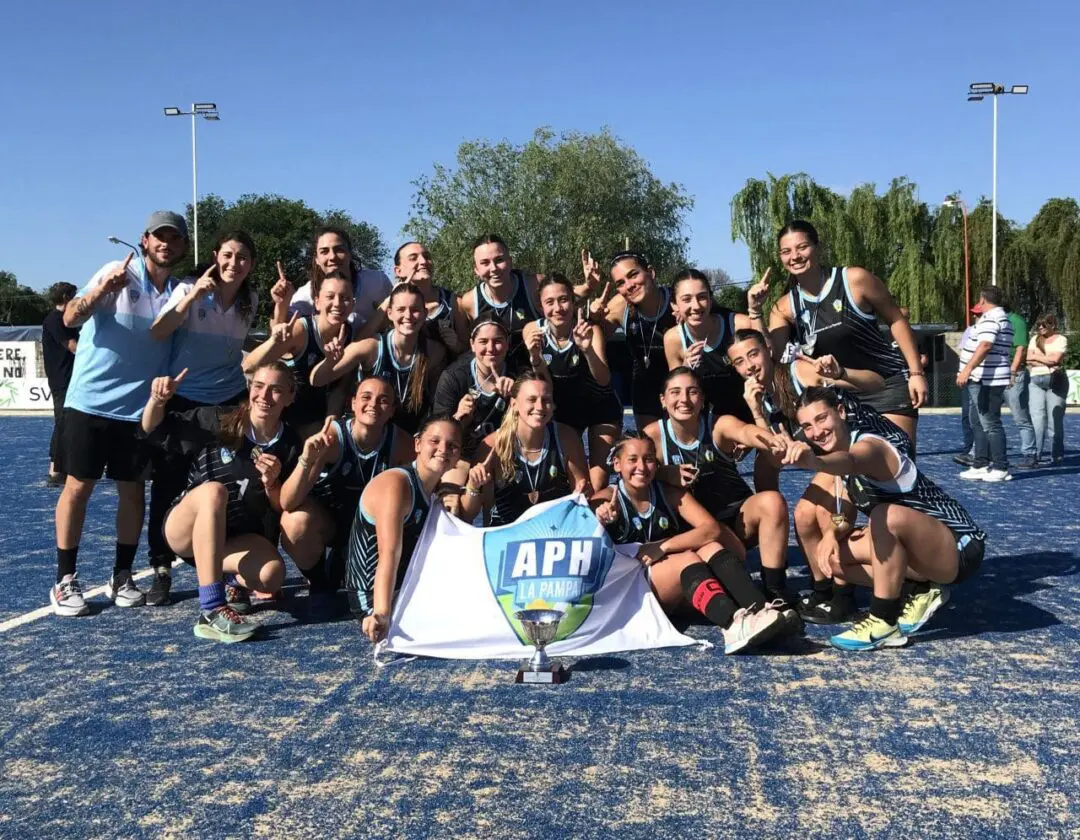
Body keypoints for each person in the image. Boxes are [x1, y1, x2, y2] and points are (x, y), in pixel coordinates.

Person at [50, 211, 188, 617]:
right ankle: (65, 579)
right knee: (79, 487)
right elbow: (70, 317)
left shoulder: (180, 292)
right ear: (145, 241)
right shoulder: (117, 271)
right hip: (89, 403)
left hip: (138, 411)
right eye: (159, 237)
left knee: (132, 492)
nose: (166, 244)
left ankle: (122, 575)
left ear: (182, 245)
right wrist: (101, 291)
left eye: (174, 238)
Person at [786, 387, 985, 651]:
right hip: (922, 547)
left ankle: (884, 621)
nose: (816, 432)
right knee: (835, 560)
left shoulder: (870, 447)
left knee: (883, 515)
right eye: (807, 426)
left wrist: (816, 462)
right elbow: (843, 514)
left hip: (959, 545)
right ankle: (921, 589)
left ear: (841, 412)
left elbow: (850, 460)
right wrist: (832, 534)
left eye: (822, 418)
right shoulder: (842, 464)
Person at [592, 433, 796, 654]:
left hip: (666, 579)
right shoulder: (605, 499)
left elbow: (711, 529)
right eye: (632, 459)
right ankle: (732, 624)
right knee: (687, 558)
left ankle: (761, 610)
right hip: (632, 592)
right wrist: (600, 520)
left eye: (648, 459)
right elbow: (583, 545)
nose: (641, 466)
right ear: (617, 464)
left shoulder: (667, 492)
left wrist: (663, 546)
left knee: (711, 547)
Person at [143, 360, 301, 641]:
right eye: (259, 386)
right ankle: (211, 608)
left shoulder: (290, 444)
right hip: (185, 530)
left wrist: (272, 483)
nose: (264, 396)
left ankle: (231, 579)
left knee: (272, 575)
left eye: (276, 390)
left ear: (290, 397)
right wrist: (157, 400)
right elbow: (151, 428)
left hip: (233, 540)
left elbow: (281, 507)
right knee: (214, 491)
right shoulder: (220, 420)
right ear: (249, 387)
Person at [143, 231, 260, 605]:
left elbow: (239, 349)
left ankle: (229, 571)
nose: (233, 263)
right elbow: (158, 331)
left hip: (230, 403)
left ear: (251, 265)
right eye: (228, 255)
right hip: (186, 402)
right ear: (215, 256)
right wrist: (192, 296)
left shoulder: (251, 300)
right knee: (169, 483)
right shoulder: (188, 289)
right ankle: (161, 568)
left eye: (242, 257)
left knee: (233, 484)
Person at [763, 220, 927, 451]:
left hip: (886, 386)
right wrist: (754, 311)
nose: (795, 256)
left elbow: (896, 319)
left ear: (818, 248)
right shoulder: (784, 308)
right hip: (839, 397)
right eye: (786, 251)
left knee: (896, 464)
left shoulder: (854, 280)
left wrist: (916, 373)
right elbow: (773, 357)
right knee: (849, 469)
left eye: (802, 247)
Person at [643, 367, 795, 605]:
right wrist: (664, 472)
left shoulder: (718, 426)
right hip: (692, 532)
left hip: (736, 520)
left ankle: (775, 588)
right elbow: (629, 474)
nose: (684, 399)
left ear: (702, 399)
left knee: (772, 502)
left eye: (692, 392)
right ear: (663, 400)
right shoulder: (652, 436)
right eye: (675, 392)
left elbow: (746, 431)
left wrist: (772, 440)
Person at [278, 377, 414, 615]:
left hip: (372, 531)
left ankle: (346, 566)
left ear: (392, 410)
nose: (373, 404)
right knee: (294, 522)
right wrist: (306, 460)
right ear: (353, 403)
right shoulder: (331, 439)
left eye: (383, 400)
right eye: (366, 397)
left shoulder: (402, 443)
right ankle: (320, 584)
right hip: (331, 523)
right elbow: (287, 501)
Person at [348, 415, 465, 641]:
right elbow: (389, 554)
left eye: (452, 445)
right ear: (417, 444)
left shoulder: (434, 490)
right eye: (435, 441)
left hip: (407, 586)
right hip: (373, 597)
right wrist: (381, 613)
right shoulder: (396, 484)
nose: (443, 449)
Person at [521, 274, 623, 491]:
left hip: (600, 407)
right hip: (564, 411)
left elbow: (603, 380)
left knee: (597, 484)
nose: (558, 308)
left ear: (574, 302)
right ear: (540, 306)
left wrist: (587, 351)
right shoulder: (533, 331)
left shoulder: (590, 330)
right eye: (550, 302)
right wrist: (535, 358)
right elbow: (544, 385)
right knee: (573, 484)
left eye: (564, 300)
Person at [311, 283, 445, 434]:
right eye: (401, 309)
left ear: (425, 313)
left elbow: (435, 404)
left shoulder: (434, 352)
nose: (408, 316)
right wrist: (329, 362)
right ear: (389, 313)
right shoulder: (371, 347)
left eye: (415, 310)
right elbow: (317, 380)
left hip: (406, 435)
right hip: (365, 429)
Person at [462, 374, 590, 526]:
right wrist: (473, 486)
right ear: (514, 404)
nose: (540, 407)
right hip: (506, 533)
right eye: (532, 399)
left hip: (553, 532)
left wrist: (583, 495)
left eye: (546, 400)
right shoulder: (492, 446)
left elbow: (584, 498)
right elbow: (467, 515)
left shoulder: (566, 439)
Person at [244, 269, 355, 436]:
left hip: (317, 419)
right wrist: (274, 341)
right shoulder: (301, 331)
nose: (337, 303)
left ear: (353, 304)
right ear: (317, 302)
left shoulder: (351, 336)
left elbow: (339, 389)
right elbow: (249, 366)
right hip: (281, 419)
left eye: (345, 298)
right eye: (330, 297)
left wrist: (330, 422)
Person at [594, 251, 675, 429]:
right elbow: (587, 341)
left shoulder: (677, 300)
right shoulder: (619, 306)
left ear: (651, 273)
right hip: (645, 389)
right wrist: (592, 318)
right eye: (620, 283)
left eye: (633, 275)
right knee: (651, 445)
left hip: (683, 388)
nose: (629, 286)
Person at [663, 269, 755, 423]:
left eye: (702, 297)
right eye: (686, 299)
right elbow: (676, 393)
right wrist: (686, 370)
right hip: (707, 422)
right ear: (674, 305)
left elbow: (769, 363)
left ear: (710, 300)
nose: (696, 306)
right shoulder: (674, 339)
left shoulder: (739, 325)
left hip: (750, 414)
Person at [358, 242, 468, 358]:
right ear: (398, 271)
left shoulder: (453, 303)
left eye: (427, 256)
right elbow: (360, 341)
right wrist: (391, 298)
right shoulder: (392, 308)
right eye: (413, 258)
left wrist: (456, 345)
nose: (423, 261)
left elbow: (469, 349)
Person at [431, 314, 517, 460]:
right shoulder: (454, 376)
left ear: (507, 343)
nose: (490, 348)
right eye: (483, 341)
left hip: (506, 453)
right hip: (462, 456)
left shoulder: (518, 375)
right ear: (472, 344)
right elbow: (436, 432)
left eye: (498, 341)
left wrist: (518, 396)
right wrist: (458, 417)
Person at [272, 225, 391, 329]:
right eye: (324, 251)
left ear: (350, 253)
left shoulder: (378, 282)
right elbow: (280, 332)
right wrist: (281, 305)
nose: (332, 257)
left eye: (339, 250)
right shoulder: (307, 294)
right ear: (316, 259)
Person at [456, 234, 541, 369]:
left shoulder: (533, 286)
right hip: (498, 375)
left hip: (538, 369)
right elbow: (468, 347)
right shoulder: (470, 301)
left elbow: (569, 295)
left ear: (510, 261)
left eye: (499, 260)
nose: (494, 268)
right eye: (485, 263)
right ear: (476, 270)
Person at [957, 287, 1014, 482]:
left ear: (982, 300)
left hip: (988, 379)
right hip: (983, 378)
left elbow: (985, 345)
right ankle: (980, 463)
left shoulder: (991, 319)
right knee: (977, 421)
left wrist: (967, 369)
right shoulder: (1000, 318)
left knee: (990, 423)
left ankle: (1000, 466)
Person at [41, 282, 79, 485]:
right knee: (63, 422)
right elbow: (72, 346)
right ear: (65, 297)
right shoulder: (55, 320)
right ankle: (55, 469)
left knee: (70, 421)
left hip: (70, 378)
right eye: (74, 295)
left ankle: (62, 467)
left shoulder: (63, 319)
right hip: (62, 379)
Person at [1027, 313, 1068, 465]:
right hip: (1035, 381)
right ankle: (1035, 455)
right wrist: (1047, 360)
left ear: (1052, 325)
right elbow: (1028, 359)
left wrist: (1036, 358)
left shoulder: (1061, 339)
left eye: (1044, 324)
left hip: (1055, 381)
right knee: (1037, 419)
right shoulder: (1034, 339)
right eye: (1038, 325)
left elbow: (1056, 359)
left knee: (1054, 420)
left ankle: (1057, 455)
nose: (1040, 327)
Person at [1003, 305, 1037, 469]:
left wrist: (1013, 371)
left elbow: (1020, 348)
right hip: (994, 373)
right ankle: (984, 454)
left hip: (1012, 373)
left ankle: (1030, 454)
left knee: (1020, 416)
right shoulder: (992, 321)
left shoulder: (1016, 321)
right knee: (988, 416)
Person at [954, 323, 977, 467]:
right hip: (967, 378)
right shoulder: (970, 330)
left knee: (981, 418)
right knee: (966, 416)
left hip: (980, 377)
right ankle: (968, 449)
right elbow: (962, 352)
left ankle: (980, 454)